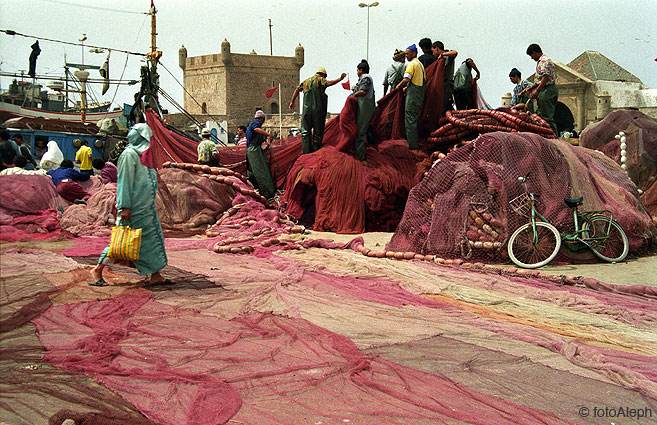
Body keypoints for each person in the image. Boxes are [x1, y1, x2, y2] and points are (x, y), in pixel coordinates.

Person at [89, 123, 170, 287]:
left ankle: (156, 275)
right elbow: (125, 182)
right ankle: (97, 270)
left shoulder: (143, 157)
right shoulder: (129, 155)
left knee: (152, 240)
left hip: (146, 208)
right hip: (133, 208)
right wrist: (124, 206)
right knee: (121, 242)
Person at [289, 67, 346, 154]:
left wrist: (292, 102)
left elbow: (297, 89)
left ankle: (306, 152)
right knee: (318, 132)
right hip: (317, 111)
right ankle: (315, 152)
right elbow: (328, 83)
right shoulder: (320, 80)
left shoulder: (306, 81)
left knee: (305, 132)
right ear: (323, 75)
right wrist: (340, 79)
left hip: (306, 112)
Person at [521, 43, 558, 136]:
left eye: (531, 55)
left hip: (547, 90)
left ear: (534, 52)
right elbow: (540, 79)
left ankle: (555, 138)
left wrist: (537, 91)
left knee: (546, 117)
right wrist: (531, 88)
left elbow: (545, 78)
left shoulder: (545, 61)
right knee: (541, 116)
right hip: (544, 89)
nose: (532, 58)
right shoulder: (540, 62)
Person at [395, 44, 425, 150]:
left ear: (414, 53)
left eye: (408, 53)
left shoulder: (412, 64)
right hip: (419, 96)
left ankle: (413, 147)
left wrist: (398, 86)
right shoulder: (420, 65)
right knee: (413, 119)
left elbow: (407, 79)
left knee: (410, 120)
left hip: (413, 97)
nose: (406, 56)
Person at [246, 110, 276, 200]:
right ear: (262, 119)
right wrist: (268, 134)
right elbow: (256, 129)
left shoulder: (254, 124)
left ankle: (256, 189)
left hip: (256, 150)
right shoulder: (255, 123)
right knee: (261, 171)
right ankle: (267, 193)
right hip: (254, 151)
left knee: (255, 171)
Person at [350, 59, 375, 165]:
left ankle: (361, 158)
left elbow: (362, 91)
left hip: (366, 107)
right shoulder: (363, 79)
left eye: (357, 70)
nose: (356, 72)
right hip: (363, 107)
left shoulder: (365, 78)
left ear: (361, 70)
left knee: (361, 132)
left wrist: (354, 95)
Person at [431, 41, 459, 114]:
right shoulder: (438, 59)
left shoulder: (447, 56)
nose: (433, 54)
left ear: (437, 48)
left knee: (442, 105)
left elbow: (455, 53)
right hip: (442, 85)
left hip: (447, 84)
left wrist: (442, 54)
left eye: (433, 51)